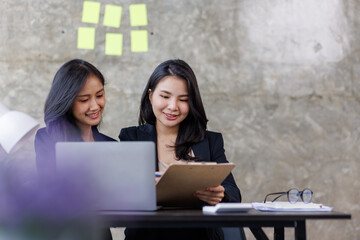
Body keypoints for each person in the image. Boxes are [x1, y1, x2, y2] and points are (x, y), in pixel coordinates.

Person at [119, 59, 241, 240]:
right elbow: (119, 193)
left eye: (183, 99)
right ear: (151, 96)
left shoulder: (209, 141)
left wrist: (220, 194)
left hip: (200, 235)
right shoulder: (131, 137)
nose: (173, 106)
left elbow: (233, 193)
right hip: (148, 235)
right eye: (165, 97)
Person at [34, 59, 114, 240]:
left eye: (100, 95)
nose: (95, 106)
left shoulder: (110, 146)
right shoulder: (47, 139)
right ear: (67, 101)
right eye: (84, 100)